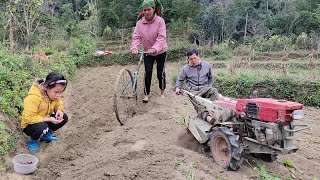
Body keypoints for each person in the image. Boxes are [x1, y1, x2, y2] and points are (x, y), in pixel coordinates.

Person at [131, 0, 168, 103]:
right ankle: (147, 94)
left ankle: (162, 91)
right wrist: (134, 48)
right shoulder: (140, 23)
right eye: (145, 10)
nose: (147, 12)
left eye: (149, 9)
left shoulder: (160, 21)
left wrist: (154, 48)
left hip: (161, 51)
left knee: (160, 72)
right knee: (147, 73)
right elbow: (136, 37)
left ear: (154, 9)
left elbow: (161, 38)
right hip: (147, 52)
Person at [21, 72, 68, 152]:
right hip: (29, 125)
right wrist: (49, 119)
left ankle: (46, 136)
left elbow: (58, 102)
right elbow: (29, 118)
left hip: (44, 119)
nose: (58, 95)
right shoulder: (33, 98)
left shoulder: (52, 95)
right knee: (42, 126)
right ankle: (33, 141)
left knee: (64, 117)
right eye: (56, 92)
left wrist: (59, 110)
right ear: (46, 87)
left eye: (60, 92)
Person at [175, 49, 220, 123]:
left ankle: (215, 113)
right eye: (191, 59)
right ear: (188, 59)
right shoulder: (185, 68)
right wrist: (177, 88)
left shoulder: (207, 65)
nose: (193, 60)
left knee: (214, 91)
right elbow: (180, 79)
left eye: (195, 58)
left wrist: (209, 86)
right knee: (195, 98)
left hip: (204, 88)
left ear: (198, 56)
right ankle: (207, 117)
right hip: (193, 90)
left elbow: (211, 77)